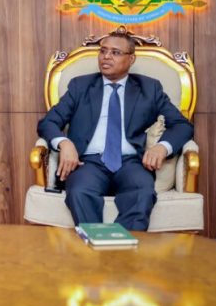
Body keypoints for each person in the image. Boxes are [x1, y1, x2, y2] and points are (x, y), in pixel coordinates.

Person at [37, 29, 193, 231]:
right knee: (79, 191)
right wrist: (64, 143)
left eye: (115, 52)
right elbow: (48, 122)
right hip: (88, 163)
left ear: (131, 59)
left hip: (131, 163)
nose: (106, 57)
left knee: (142, 193)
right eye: (103, 51)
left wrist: (162, 147)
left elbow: (182, 125)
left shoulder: (149, 88)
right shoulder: (80, 86)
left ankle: (122, 248)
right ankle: (95, 244)